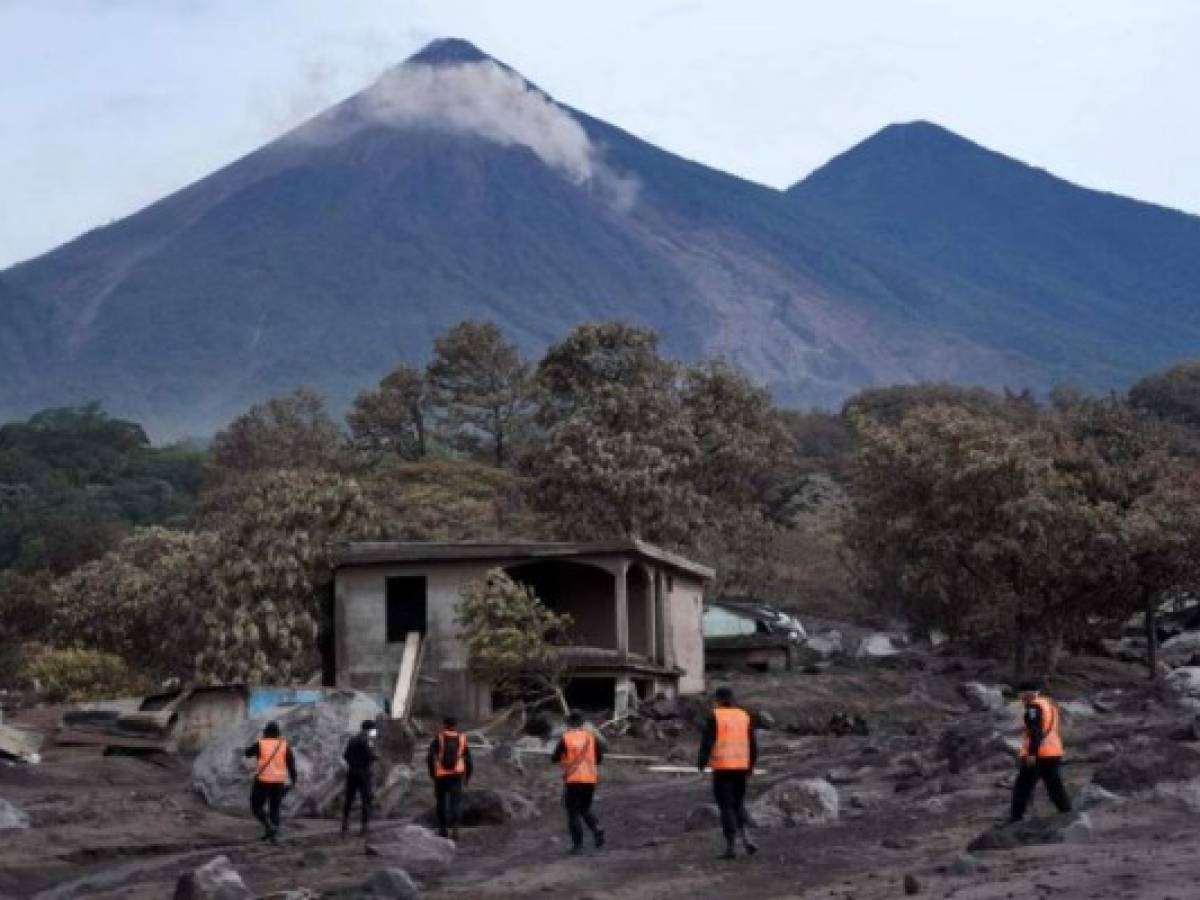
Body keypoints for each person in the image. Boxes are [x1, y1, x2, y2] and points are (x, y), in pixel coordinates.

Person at [697, 686, 758, 860]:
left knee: (726, 806)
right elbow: (752, 744)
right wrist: (750, 765)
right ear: (732, 699)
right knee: (739, 803)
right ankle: (747, 838)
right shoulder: (744, 716)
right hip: (741, 767)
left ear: (718, 699)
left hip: (723, 768)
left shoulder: (715, 716)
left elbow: (707, 742)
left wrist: (701, 762)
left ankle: (731, 846)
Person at [1010, 680, 1072, 822]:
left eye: (1022, 694)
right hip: (1054, 751)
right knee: (1054, 786)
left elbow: (1035, 732)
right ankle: (1067, 812)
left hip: (1039, 754)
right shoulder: (1048, 704)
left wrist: (1032, 753)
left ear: (1027, 693)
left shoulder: (1033, 708)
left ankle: (1016, 819)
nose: (1021, 698)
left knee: (1022, 787)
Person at [551, 712, 606, 854]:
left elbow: (554, 758)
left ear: (568, 724)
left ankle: (578, 845)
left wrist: (566, 759)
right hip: (590, 778)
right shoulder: (591, 737)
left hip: (574, 779)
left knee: (573, 812)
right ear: (582, 723)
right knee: (585, 808)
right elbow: (599, 759)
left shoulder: (566, 738)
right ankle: (597, 828)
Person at [243, 720, 297, 844]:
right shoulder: (284, 746)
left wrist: (248, 747)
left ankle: (269, 827)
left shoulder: (261, 744)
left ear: (266, 732)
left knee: (256, 806)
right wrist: (294, 780)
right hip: (278, 782)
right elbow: (291, 765)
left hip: (263, 780)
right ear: (278, 733)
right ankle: (274, 836)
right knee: (275, 808)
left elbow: (247, 753)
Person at [427, 716, 472, 840]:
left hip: (440, 776)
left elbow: (430, 757)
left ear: (444, 725)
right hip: (456, 775)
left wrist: (432, 773)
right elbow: (469, 759)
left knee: (441, 802)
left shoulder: (438, 738)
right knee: (455, 803)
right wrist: (467, 777)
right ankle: (455, 830)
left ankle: (443, 829)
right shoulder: (462, 739)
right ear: (455, 725)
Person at [342, 719, 379, 837]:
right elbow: (369, 755)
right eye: (374, 730)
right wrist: (376, 757)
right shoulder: (366, 740)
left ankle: (345, 823)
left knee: (349, 798)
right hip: (363, 773)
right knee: (366, 799)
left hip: (352, 772)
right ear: (370, 730)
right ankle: (364, 827)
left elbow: (345, 755)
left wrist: (353, 763)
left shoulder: (352, 739)